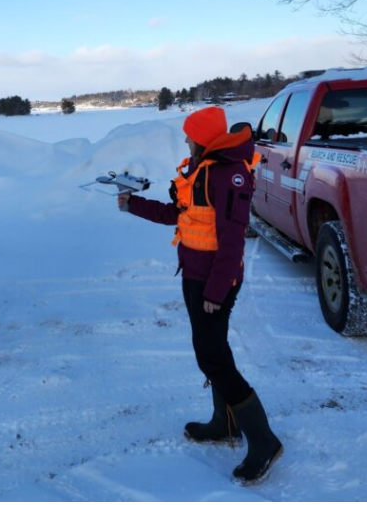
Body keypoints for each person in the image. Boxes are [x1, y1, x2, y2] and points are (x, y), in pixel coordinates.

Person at [118, 106, 283, 483]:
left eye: (191, 135)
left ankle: (264, 441)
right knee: (213, 351)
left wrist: (216, 290)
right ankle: (225, 423)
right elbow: (181, 215)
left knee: (212, 357)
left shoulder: (229, 176)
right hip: (195, 275)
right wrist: (133, 205)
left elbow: (233, 241)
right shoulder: (201, 169)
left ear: (204, 139)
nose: (186, 140)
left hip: (214, 281)